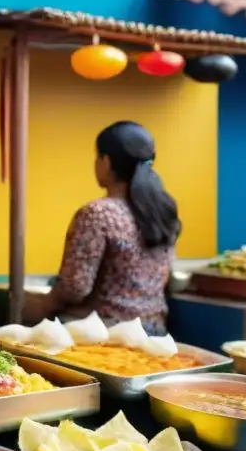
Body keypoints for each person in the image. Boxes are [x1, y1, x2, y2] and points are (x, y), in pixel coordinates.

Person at [36, 121, 181, 335]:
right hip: (155, 331)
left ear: (106, 161)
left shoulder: (97, 213)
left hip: (102, 334)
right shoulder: (162, 210)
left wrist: (37, 306)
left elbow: (75, 288)